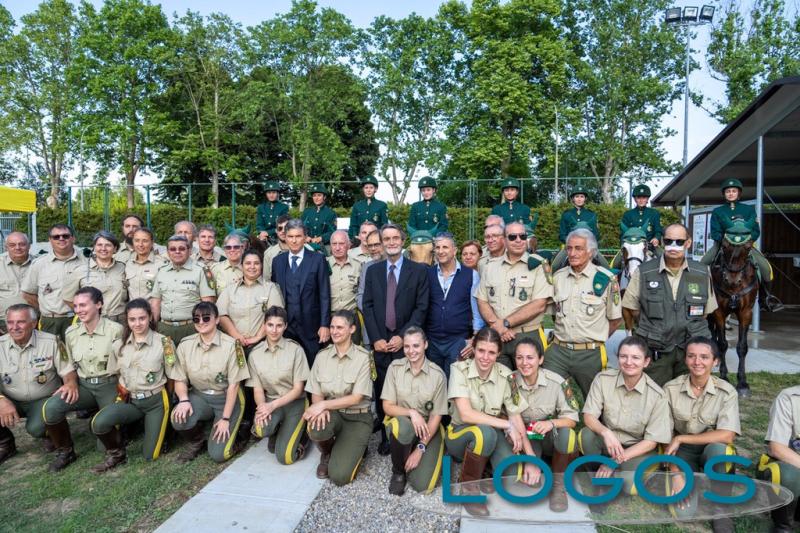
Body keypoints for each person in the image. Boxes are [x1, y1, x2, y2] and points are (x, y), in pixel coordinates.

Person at [447, 327, 541, 517]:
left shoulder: (507, 375)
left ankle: (485, 469)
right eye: (481, 350)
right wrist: (507, 426)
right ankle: (469, 489)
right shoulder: (458, 369)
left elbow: (515, 415)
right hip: (460, 434)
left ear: (498, 353)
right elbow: (466, 414)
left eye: (491, 352)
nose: (485, 357)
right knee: (484, 434)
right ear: (473, 349)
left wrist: (530, 458)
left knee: (512, 475)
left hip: (492, 432)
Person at [362, 223, 430, 455]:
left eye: (395, 238)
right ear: (381, 243)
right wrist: (376, 338)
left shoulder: (419, 271)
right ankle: (386, 435)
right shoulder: (372, 271)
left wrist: (404, 337)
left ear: (403, 241)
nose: (391, 242)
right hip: (381, 344)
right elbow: (367, 306)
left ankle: (409, 433)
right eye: (386, 239)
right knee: (383, 389)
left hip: (406, 344)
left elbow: (421, 308)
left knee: (408, 389)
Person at [622, 223, 717, 386]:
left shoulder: (702, 272)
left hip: (690, 352)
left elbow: (705, 312)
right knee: (653, 399)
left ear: (688, 243)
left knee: (690, 400)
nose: (674, 246)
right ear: (662, 242)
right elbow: (631, 308)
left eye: (679, 242)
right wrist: (652, 327)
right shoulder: (644, 271)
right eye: (669, 241)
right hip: (656, 351)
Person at [662, 336, 740, 532]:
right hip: (681, 453)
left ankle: (721, 507)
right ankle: (690, 479)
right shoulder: (670, 389)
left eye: (704, 357)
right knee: (684, 514)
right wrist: (675, 472)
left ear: (715, 362)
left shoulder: (727, 391)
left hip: (710, 448)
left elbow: (727, 435)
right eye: (692, 356)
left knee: (720, 451)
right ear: (685, 359)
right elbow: (664, 436)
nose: (697, 362)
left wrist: (681, 437)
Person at [89, 298, 176, 472]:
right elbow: (117, 374)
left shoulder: (164, 343)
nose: (137, 323)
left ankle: (163, 429)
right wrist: (122, 392)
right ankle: (117, 454)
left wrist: (170, 404)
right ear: (127, 320)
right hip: (131, 401)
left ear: (150, 317)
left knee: (150, 455)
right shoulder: (118, 345)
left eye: (142, 318)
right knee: (99, 423)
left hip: (156, 402)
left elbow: (173, 377)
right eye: (132, 319)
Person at [42, 287, 124, 471]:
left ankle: (118, 443)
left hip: (110, 386)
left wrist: (123, 391)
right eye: (76, 306)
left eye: (83, 305)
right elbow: (67, 364)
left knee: (103, 441)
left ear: (99, 304)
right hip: (84, 387)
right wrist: (70, 383)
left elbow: (123, 364)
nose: (78, 310)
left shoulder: (116, 330)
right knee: (52, 407)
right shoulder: (71, 333)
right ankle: (66, 452)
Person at [579, 336, 673, 496]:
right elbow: (589, 415)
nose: (629, 362)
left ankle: (612, 471)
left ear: (646, 362)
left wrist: (614, 461)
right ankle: (598, 471)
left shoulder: (658, 395)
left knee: (630, 488)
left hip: (636, 448)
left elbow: (651, 442)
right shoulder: (603, 379)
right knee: (586, 436)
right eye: (623, 356)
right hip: (609, 442)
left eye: (636, 357)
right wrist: (605, 432)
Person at [543, 228, 622, 396]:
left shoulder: (606, 279)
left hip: (590, 354)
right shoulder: (558, 277)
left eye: (578, 248)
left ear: (591, 252)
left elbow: (615, 320)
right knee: (545, 394)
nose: (572, 253)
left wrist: (595, 336)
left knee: (596, 401)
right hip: (558, 351)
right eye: (569, 248)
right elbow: (552, 312)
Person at [169, 301, 250, 463]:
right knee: (178, 417)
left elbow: (234, 386)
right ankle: (197, 443)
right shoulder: (185, 345)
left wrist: (225, 419)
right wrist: (184, 400)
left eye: (206, 318)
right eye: (196, 319)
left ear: (217, 319)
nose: (201, 322)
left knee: (219, 455)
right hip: (200, 396)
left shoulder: (232, 346)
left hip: (226, 398)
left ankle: (241, 432)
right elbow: (179, 378)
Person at [0, 304, 77, 469]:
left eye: (20, 322)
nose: (14, 327)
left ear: (34, 323)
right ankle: (5, 444)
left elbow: (68, 371)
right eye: (10, 322)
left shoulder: (52, 342)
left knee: (35, 429)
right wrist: (1, 400)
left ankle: (59, 442)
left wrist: (70, 383)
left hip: (42, 399)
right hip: (11, 399)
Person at [304, 310, 373, 486]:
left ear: (352, 329)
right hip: (333, 413)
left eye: (340, 327)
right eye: (332, 327)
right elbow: (316, 392)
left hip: (357, 417)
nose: (334, 331)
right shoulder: (321, 357)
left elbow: (356, 398)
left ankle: (356, 445)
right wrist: (319, 408)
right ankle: (327, 453)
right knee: (316, 426)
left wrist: (323, 405)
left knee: (340, 477)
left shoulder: (364, 358)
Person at [513, 338, 579, 512]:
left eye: (530, 358)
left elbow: (572, 418)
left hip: (547, 434)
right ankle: (534, 466)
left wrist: (551, 423)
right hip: (524, 436)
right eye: (519, 358)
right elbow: (512, 419)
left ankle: (558, 486)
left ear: (541, 359)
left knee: (567, 435)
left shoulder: (558, 382)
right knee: (520, 477)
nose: (524, 363)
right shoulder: (510, 381)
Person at [475, 222, 552, 370]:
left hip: (528, 335)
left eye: (522, 236)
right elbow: (482, 300)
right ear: (504, 240)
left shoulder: (539, 266)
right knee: (500, 385)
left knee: (529, 386)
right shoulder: (490, 266)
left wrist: (505, 323)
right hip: (498, 337)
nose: (518, 240)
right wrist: (498, 326)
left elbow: (539, 304)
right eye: (512, 237)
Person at [381, 327, 448, 495]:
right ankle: (398, 472)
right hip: (404, 424)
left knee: (423, 485)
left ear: (425, 345)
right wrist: (412, 412)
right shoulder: (395, 368)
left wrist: (420, 449)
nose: (411, 351)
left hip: (427, 429)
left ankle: (412, 449)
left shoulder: (437, 375)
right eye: (407, 346)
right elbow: (387, 406)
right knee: (401, 426)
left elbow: (435, 416)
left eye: (416, 346)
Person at [700, 178, 781, 311]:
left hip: (745, 247)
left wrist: (748, 242)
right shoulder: (718, 211)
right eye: (728, 191)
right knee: (702, 265)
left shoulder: (749, 210)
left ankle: (765, 299)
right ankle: (700, 297)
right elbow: (715, 232)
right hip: (722, 246)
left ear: (739, 193)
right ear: (724, 194)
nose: (731, 193)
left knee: (766, 269)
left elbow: (755, 231)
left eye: (734, 191)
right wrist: (725, 242)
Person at [247, 306, 310, 464]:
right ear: (264, 326)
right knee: (261, 429)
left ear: (285, 326)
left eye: (279, 325)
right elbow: (258, 389)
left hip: (295, 403)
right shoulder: (255, 354)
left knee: (285, 458)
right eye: (270, 325)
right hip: (270, 401)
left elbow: (298, 389)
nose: (274, 330)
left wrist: (271, 406)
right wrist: (262, 407)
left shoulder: (296, 350)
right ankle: (278, 431)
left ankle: (304, 437)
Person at [271, 219, 331, 365]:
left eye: (298, 236)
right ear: (285, 237)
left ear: (305, 237)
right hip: (286, 326)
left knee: (313, 366)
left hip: (312, 327)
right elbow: (274, 292)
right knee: (287, 366)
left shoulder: (318, 259)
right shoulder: (277, 261)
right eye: (290, 236)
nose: (294, 240)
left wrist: (324, 325)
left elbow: (324, 294)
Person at [426, 232, 481, 381]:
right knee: (434, 384)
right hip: (432, 341)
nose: (440, 251)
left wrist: (475, 338)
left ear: (454, 250)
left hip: (458, 340)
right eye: (437, 247)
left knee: (456, 385)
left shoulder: (471, 275)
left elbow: (476, 310)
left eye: (445, 247)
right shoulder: (427, 274)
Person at [21, 224, 86, 339]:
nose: (61, 239)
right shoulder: (39, 264)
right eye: (56, 237)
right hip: (50, 321)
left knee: (77, 355)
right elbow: (27, 293)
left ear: (73, 238)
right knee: (50, 355)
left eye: (65, 236)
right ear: (50, 240)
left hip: (79, 319)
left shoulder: (86, 262)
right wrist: (45, 308)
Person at [149, 235, 216, 345]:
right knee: (166, 361)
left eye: (181, 248)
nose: (177, 252)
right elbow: (156, 303)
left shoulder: (201, 270)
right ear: (168, 252)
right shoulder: (162, 271)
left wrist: (204, 329)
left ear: (189, 251)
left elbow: (208, 304)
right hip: (164, 329)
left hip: (191, 328)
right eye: (173, 249)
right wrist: (153, 328)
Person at [218, 249, 284, 350]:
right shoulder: (230, 289)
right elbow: (220, 314)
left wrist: (257, 337)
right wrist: (236, 335)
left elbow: (277, 316)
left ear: (261, 266)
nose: (252, 267)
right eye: (248, 263)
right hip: (233, 345)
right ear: (241, 266)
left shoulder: (270, 288)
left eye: (256, 263)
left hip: (263, 345)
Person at [759, 384, 800, 533]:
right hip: (793, 470)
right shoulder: (789, 398)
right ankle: (783, 526)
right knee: (786, 475)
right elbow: (777, 448)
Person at [62, 230, 128, 322]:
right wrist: (86, 312)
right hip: (92, 320)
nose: (103, 248)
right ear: (94, 247)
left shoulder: (123, 268)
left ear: (115, 249)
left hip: (120, 321)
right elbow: (68, 298)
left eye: (108, 245)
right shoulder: (80, 270)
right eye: (99, 245)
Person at [328, 230, 363, 343]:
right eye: (334, 244)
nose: (337, 248)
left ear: (349, 245)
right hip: (330, 318)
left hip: (351, 318)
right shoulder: (323, 264)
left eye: (341, 244)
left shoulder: (358, 266)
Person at [356, 229, 384, 348]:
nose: (373, 249)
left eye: (376, 244)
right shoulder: (367, 267)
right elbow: (360, 296)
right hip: (372, 328)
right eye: (370, 246)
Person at [0, 231, 32, 334]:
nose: (17, 248)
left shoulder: (40, 264)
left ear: (29, 246)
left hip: (33, 322)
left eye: (22, 244)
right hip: (3, 323)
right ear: (6, 247)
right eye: (12, 245)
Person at [124, 227, 166, 300]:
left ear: (152, 243)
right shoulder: (128, 264)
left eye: (145, 241)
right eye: (137, 240)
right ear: (133, 242)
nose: (140, 244)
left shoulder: (162, 264)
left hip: (152, 310)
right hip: (132, 310)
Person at [349, 176, 388, 242]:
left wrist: (380, 238)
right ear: (363, 189)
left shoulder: (382, 205)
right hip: (359, 240)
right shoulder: (357, 206)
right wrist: (354, 237)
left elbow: (384, 225)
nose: (368, 190)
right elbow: (353, 225)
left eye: (371, 187)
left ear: (375, 189)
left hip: (376, 241)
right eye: (366, 188)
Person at [263, 215, 290, 282]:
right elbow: (267, 281)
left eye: (286, 228)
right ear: (276, 231)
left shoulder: (305, 250)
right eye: (280, 228)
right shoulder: (269, 253)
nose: (283, 231)